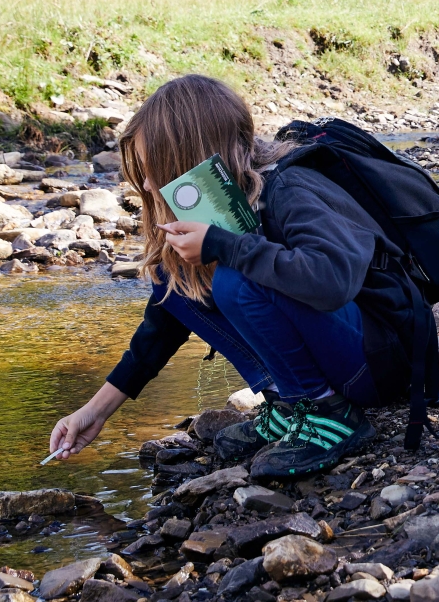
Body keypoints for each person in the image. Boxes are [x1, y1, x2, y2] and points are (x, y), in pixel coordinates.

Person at [49, 75, 401, 481]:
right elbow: (164, 322)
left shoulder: (289, 186)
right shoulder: (219, 205)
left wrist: (226, 246)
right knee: (173, 275)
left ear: (189, 160)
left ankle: (327, 412)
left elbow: (332, 279)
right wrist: (94, 412)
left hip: (377, 363)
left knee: (237, 279)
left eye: (152, 169)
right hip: (340, 355)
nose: (145, 184)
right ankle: (289, 404)